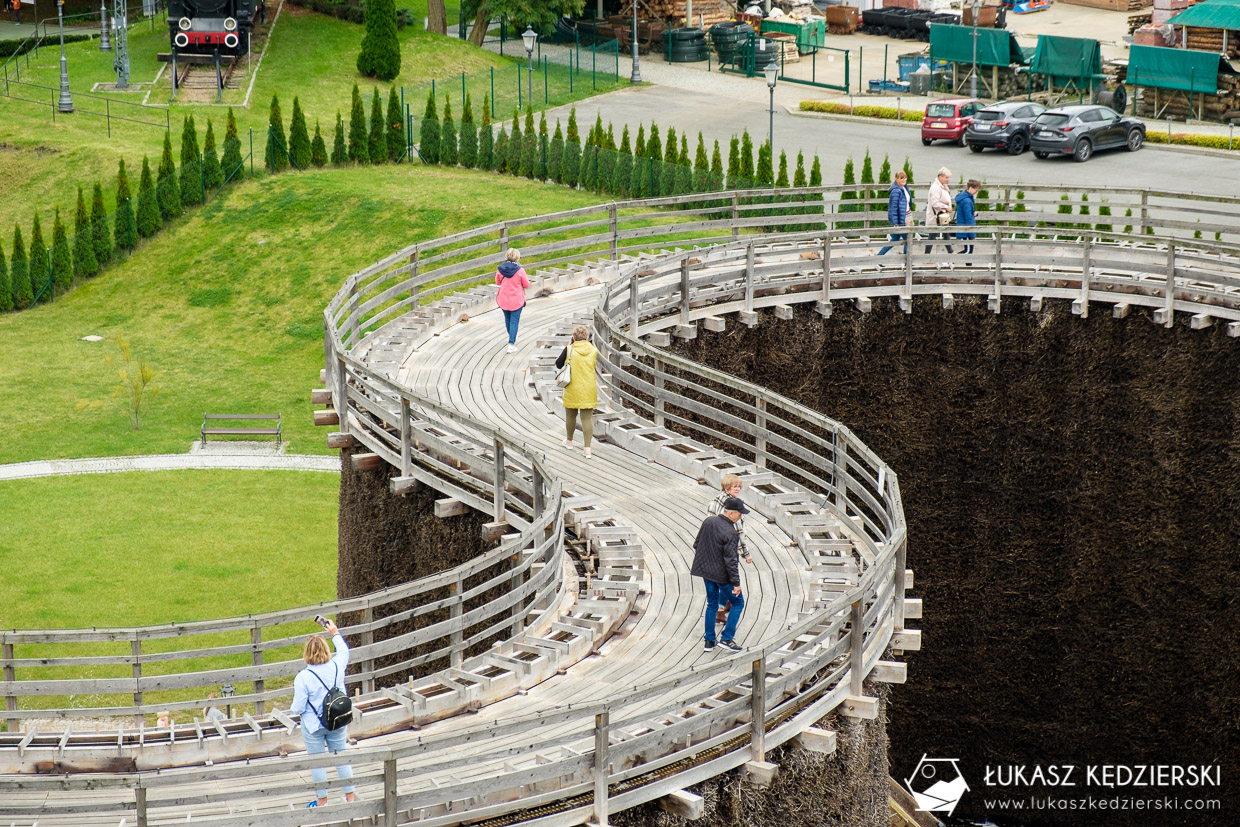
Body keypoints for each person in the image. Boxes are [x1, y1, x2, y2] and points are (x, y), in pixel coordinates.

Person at [291, 619, 357, 808]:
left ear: (306, 653)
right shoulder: (337, 666)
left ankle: (322, 800)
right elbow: (344, 651)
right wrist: (335, 633)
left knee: (318, 762)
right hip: (338, 720)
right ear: (326, 650)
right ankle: (350, 797)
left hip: (314, 726)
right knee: (341, 757)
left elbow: (298, 707)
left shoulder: (303, 677)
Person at [691, 496, 749, 652]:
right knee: (738, 603)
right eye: (739, 514)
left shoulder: (708, 521)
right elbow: (731, 561)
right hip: (722, 576)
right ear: (731, 513)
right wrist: (736, 584)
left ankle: (709, 641)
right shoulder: (731, 533)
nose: (740, 517)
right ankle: (727, 638)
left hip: (706, 571)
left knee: (712, 604)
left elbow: (696, 544)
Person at [708, 475, 755, 625]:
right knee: (728, 579)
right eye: (735, 486)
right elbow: (738, 531)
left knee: (719, 580)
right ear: (727, 487)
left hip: (715, 547)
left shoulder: (714, 501)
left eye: (739, 486)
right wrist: (746, 553)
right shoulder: (733, 505)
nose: (738, 489)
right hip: (728, 546)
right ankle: (720, 610)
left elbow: (710, 524)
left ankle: (723, 605)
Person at [555, 325, 599, 458]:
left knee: (570, 416)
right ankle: (587, 449)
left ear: (573, 338)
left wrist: (569, 346)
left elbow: (558, 364)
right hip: (588, 388)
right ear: (587, 338)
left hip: (572, 387)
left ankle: (569, 441)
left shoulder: (569, 349)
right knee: (587, 418)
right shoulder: (594, 350)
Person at [495, 248, 530, 354]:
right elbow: (526, 285)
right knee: (514, 321)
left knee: (508, 319)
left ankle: (512, 336)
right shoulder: (520, 270)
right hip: (516, 300)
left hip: (503, 299)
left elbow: (498, 282)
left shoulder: (500, 269)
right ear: (517, 258)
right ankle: (511, 344)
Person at [877, 171, 912, 256]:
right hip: (901, 219)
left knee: (895, 239)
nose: (904, 180)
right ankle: (906, 260)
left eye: (905, 178)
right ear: (896, 179)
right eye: (901, 178)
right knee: (908, 239)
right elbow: (893, 208)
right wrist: (895, 223)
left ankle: (879, 256)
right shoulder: (896, 191)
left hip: (907, 216)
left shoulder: (904, 188)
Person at [924, 167, 955, 255]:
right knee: (933, 235)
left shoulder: (942, 186)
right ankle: (927, 255)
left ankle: (950, 251)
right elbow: (935, 203)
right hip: (937, 216)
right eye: (946, 177)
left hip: (942, 216)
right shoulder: (936, 188)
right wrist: (946, 207)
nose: (948, 180)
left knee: (944, 233)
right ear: (940, 177)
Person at [954, 179, 980, 261]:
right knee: (968, 251)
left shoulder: (964, 197)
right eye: (976, 190)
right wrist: (972, 235)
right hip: (967, 230)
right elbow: (968, 219)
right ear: (970, 188)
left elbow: (967, 214)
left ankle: (968, 266)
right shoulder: (967, 201)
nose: (976, 192)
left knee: (968, 250)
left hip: (964, 228)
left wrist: (973, 213)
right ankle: (951, 261)